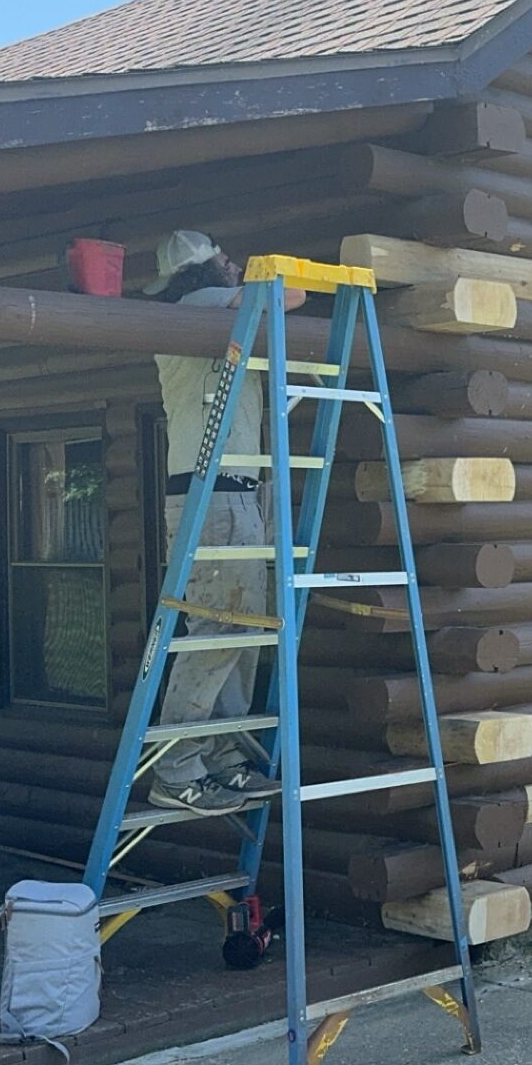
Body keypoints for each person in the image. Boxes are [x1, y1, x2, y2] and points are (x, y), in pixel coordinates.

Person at [142, 230, 302, 816]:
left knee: (243, 630)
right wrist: (278, 274)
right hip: (213, 497)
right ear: (203, 274)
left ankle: (223, 759)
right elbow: (289, 297)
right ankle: (178, 767)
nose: (235, 266)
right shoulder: (199, 309)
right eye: (223, 261)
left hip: (231, 494)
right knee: (218, 632)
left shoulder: (215, 316)